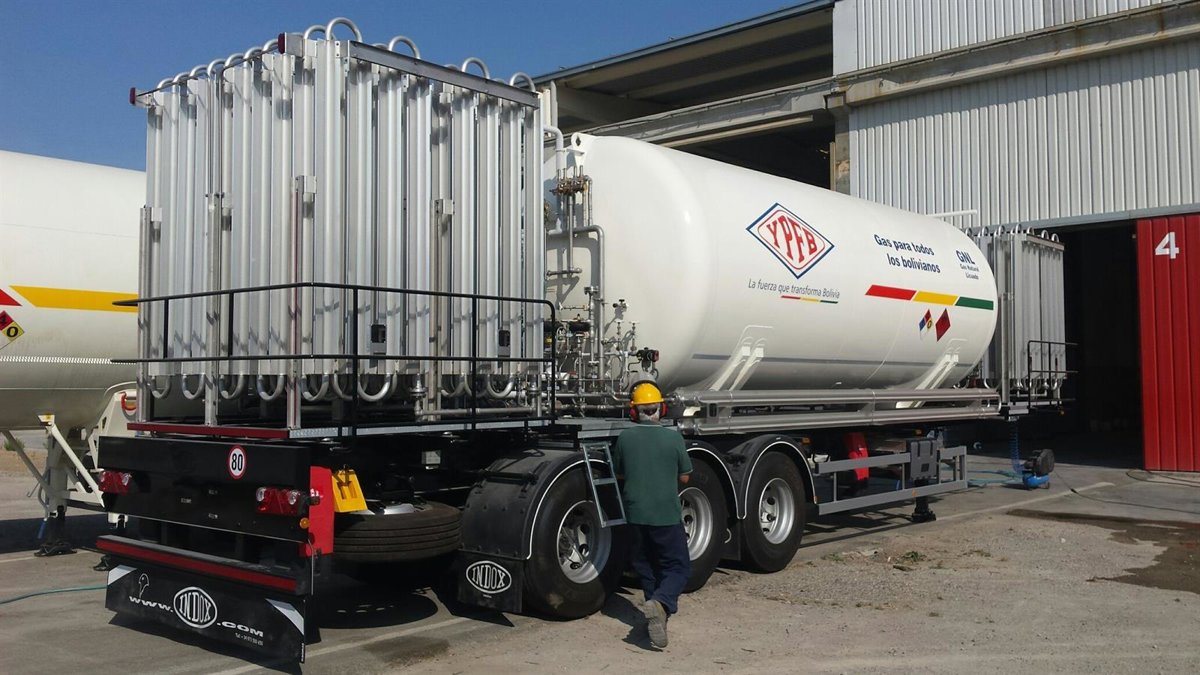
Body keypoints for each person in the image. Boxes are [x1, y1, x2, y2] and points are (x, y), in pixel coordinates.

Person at [612, 381, 692, 649]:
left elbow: (620, 473)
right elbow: (685, 477)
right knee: (678, 567)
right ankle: (661, 603)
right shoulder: (673, 438)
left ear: (634, 411)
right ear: (661, 409)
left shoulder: (625, 438)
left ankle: (655, 618)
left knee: (647, 567)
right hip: (665, 515)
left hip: (635, 514)